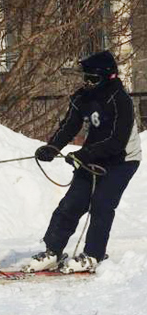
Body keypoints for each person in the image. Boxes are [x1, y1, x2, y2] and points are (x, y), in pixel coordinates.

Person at [27, 50, 141, 273]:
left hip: (122, 160)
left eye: (93, 79)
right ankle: (53, 251)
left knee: (101, 204)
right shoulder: (83, 97)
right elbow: (70, 125)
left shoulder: (120, 100)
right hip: (93, 156)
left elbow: (117, 142)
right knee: (72, 203)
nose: (87, 83)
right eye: (85, 78)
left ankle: (93, 255)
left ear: (109, 77)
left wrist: (84, 155)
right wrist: (52, 148)